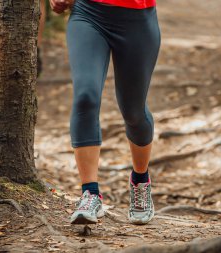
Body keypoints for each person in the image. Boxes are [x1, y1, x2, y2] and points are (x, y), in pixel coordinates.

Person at [49, 0, 161, 225]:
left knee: (134, 112)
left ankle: (140, 181)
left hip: (138, 19)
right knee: (85, 97)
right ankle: (90, 194)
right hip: (88, 13)